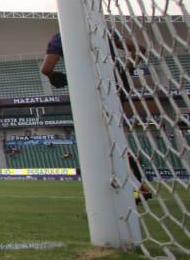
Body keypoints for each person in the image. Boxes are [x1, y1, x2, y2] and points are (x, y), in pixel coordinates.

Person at [42, 30, 153, 200]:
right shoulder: (105, 31)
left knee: (99, 138)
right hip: (114, 84)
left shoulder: (62, 36)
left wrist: (52, 76)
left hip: (87, 87)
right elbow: (139, 49)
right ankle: (135, 184)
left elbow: (46, 68)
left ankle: (132, 185)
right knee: (113, 135)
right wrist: (126, 70)